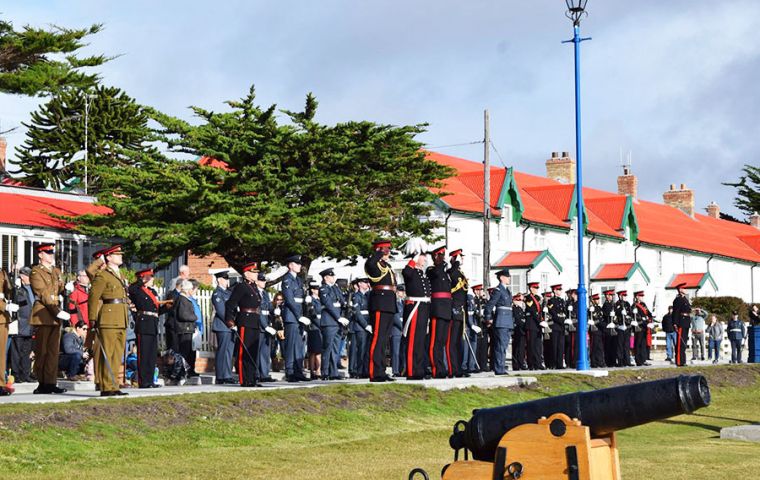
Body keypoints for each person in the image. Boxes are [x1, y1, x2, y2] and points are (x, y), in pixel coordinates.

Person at [88, 244, 130, 396]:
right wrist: (92, 318)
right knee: (108, 352)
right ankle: (106, 386)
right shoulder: (103, 275)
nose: (121, 256)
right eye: (117, 254)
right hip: (108, 317)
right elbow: (93, 298)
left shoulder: (119, 275)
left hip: (121, 317)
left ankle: (113, 384)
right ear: (109, 257)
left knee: (117, 354)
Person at [30, 243, 69, 395]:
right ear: (40, 255)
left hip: (55, 315)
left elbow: (58, 289)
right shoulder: (36, 272)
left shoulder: (56, 271)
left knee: (53, 352)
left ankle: (51, 382)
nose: (51, 254)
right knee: (42, 351)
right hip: (44, 315)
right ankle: (41, 382)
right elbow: (44, 294)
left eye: (52, 252)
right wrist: (57, 311)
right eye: (47, 252)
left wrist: (66, 287)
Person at [128, 268, 170, 388]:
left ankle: (150, 380)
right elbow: (131, 289)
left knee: (151, 355)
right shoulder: (137, 290)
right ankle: (143, 381)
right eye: (150, 277)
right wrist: (141, 281)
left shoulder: (152, 292)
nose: (152, 279)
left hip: (152, 323)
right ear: (144, 278)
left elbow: (155, 310)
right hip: (143, 323)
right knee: (144, 354)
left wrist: (166, 307)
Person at [225, 262, 264, 387]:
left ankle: (252, 378)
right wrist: (230, 319)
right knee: (244, 352)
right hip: (245, 320)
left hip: (254, 320)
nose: (256, 274)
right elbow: (231, 303)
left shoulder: (254, 287)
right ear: (246, 274)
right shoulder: (241, 287)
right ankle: (244, 379)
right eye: (253, 272)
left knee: (252, 351)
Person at [364, 239, 398, 382]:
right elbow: (371, 264)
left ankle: (382, 370)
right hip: (379, 303)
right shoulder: (372, 263)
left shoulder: (387, 266)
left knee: (384, 340)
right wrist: (378, 253)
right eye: (386, 250)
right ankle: (375, 372)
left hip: (389, 303)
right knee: (378, 338)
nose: (388, 253)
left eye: (388, 250)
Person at [401, 251, 432, 380]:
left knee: (420, 341)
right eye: (423, 256)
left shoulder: (422, 274)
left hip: (424, 307)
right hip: (415, 307)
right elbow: (406, 272)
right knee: (413, 341)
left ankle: (419, 369)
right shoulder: (411, 271)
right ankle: (412, 370)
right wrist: (413, 259)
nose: (425, 259)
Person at [281, 255, 310, 382]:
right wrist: (299, 316)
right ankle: (290, 371)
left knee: (298, 345)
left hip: (299, 315)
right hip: (292, 316)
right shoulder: (287, 280)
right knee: (291, 345)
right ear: (290, 265)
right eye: (297, 264)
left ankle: (298, 371)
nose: (299, 266)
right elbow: (290, 300)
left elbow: (300, 300)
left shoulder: (298, 280)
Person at [426, 245, 452, 379]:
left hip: (446, 308)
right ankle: (436, 368)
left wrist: (453, 264)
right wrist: (440, 262)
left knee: (442, 341)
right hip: (437, 308)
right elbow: (435, 273)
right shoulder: (432, 269)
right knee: (435, 341)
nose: (443, 257)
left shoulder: (445, 272)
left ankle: (442, 367)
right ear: (436, 256)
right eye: (440, 255)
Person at [318, 268, 348, 380]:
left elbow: (341, 301)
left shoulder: (335, 288)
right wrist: (339, 317)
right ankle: (325, 372)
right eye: (331, 276)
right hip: (329, 322)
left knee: (335, 348)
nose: (333, 278)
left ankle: (333, 372)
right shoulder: (323, 289)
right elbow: (328, 304)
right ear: (326, 277)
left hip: (337, 322)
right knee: (327, 347)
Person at [484, 269, 514, 375]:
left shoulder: (507, 290)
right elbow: (489, 306)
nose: (509, 278)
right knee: (500, 346)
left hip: (508, 321)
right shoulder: (498, 290)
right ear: (501, 278)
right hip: (501, 321)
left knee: (504, 346)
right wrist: (489, 318)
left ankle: (501, 366)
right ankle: (498, 368)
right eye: (507, 276)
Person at [10, 266, 34, 383]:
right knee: (17, 352)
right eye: (28, 275)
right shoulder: (18, 289)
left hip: (30, 324)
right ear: (23, 276)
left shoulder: (34, 289)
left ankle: (26, 373)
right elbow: (15, 305)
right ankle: (16, 374)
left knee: (27, 351)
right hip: (20, 324)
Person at [211, 271, 235, 384]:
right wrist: (231, 323)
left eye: (227, 279)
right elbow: (222, 311)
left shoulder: (229, 293)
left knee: (229, 352)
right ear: (219, 280)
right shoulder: (217, 294)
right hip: (223, 325)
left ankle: (227, 375)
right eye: (225, 279)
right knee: (222, 351)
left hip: (230, 326)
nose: (227, 281)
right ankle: (220, 376)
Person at [0, 267, 19, 395]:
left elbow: (8, 293)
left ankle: (1, 383)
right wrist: (4, 306)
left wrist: (12, 283)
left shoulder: (2, 272)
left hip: (2, 318)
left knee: (1, 355)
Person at [173, 280, 197, 377]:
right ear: (187, 290)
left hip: (187, 328)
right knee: (184, 352)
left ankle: (187, 371)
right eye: (191, 289)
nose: (192, 290)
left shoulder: (185, 299)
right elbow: (183, 315)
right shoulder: (182, 299)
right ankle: (182, 371)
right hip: (184, 329)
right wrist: (195, 317)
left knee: (188, 351)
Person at [255, 272, 277, 382]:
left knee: (265, 352)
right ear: (257, 281)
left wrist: (275, 310)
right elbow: (257, 311)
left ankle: (264, 374)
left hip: (267, 323)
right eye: (262, 280)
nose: (264, 282)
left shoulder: (265, 293)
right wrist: (265, 326)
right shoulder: (254, 293)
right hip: (259, 325)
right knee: (257, 351)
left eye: (264, 281)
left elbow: (268, 307)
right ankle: (257, 374)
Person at [523, 282, 546, 370]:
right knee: (531, 345)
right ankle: (531, 364)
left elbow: (539, 312)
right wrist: (540, 321)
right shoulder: (529, 298)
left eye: (537, 288)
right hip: (531, 324)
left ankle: (538, 363)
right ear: (531, 288)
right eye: (535, 288)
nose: (536, 289)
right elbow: (532, 311)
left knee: (538, 345)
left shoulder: (538, 298)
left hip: (537, 325)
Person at [546, 284, 568, 369]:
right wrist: (561, 320)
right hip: (555, 325)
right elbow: (553, 313)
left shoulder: (562, 301)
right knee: (554, 346)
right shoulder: (551, 301)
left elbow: (565, 312)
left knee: (560, 346)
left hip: (561, 326)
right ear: (554, 291)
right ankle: (553, 363)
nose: (560, 291)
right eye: (558, 290)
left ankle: (559, 364)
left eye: (560, 290)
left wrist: (564, 319)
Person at [305, 281, 323, 380]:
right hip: (314, 326)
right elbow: (312, 314)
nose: (318, 290)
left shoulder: (320, 300)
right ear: (312, 290)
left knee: (319, 351)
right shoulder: (310, 300)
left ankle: (319, 370)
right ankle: (312, 371)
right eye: (316, 289)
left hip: (321, 325)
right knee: (313, 351)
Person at [671, 283, 691, 367]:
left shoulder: (685, 299)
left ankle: (683, 360)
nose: (685, 289)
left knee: (684, 343)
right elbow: (676, 312)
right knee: (680, 343)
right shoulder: (678, 300)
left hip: (686, 321)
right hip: (681, 322)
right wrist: (675, 323)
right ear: (680, 289)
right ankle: (679, 361)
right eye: (684, 288)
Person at [631, 291, 653, 366]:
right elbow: (637, 317)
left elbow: (648, 313)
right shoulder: (634, 306)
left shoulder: (643, 305)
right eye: (641, 296)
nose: (642, 297)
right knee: (638, 344)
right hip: (639, 327)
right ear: (637, 297)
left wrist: (651, 315)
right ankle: (638, 360)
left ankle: (643, 359)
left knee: (643, 344)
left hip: (644, 327)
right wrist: (645, 320)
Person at [614, 290, 633, 367]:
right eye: (623, 296)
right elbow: (615, 313)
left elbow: (630, 313)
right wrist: (620, 311)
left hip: (627, 326)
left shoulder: (627, 304)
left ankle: (627, 361)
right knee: (620, 345)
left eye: (625, 296)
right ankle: (620, 361)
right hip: (621, 326)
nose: (625, 297)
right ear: (620, 296)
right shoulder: (617, 304)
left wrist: (628, 316)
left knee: (626, 345)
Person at [390, 285, 405, 377]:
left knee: (403, 352)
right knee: (395, 352)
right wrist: (403, 327)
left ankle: (402, 369)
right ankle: (395, 370)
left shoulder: (404, 303)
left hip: (404, 330)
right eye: (400, 291)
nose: (402, 293)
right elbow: (395, 317)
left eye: (403, 291)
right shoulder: (394, 303)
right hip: (396, 330)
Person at [588, 293, 606, 368]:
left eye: (598, 299)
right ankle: (594, 362)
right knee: (594, 347)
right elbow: (593, 319)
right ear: (593, 300)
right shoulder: (591, 309)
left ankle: (600, 361)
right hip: (594, 329)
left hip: (599, 330)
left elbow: (601, 318)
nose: (598, 300)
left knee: (600, 347)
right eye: (596, 299)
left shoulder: (599, 308)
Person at [601, 289, 618, 368]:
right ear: (606, 296)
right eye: (609, 295)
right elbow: (605, 315)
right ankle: (608, 361)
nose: (611, 297)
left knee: (614, 345)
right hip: (608, 327)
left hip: (613, 326)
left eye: (611, 295)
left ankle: (613, 361)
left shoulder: (613, 305)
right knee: (608, 346)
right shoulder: (606, 305)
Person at [510, 293, 527, 371]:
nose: (521, 302)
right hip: (517, 330)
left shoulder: (521, 309)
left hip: (522, 330)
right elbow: (517, 320)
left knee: (521, 348)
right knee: (516, 348)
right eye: (519, 300)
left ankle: (521, 362)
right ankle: (516, 364)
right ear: (514, 300)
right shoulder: (514, 309)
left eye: (521, 300)